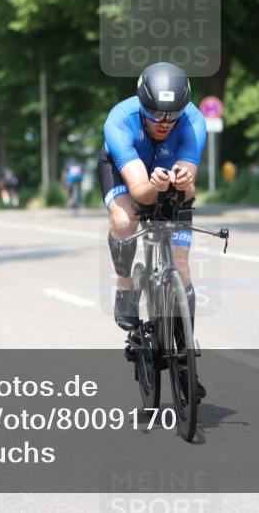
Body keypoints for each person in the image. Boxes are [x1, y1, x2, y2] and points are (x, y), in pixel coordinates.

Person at [100, 62, 207, 400]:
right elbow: (142, 192)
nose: (163, 123)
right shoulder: (120, 121)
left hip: (170, 180)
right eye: (155, 114)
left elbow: (188, 192)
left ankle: (184, 356)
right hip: (129, 175)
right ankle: (125, 286)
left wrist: (182, 183)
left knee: (182, 267)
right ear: (141, 104)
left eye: (172, 115)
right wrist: (154, 187)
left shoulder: (193, 122)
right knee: (124, 221)